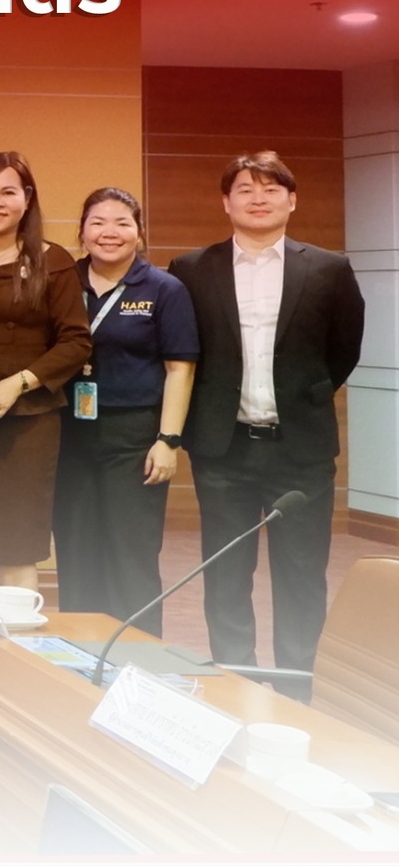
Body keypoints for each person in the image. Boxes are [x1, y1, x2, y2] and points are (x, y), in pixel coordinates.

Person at [170, 152, 365, 688]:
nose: (259, 198)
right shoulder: (191, 268)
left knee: (301, 577)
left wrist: (305, 397)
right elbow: (185, 349)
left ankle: (295, 689)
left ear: (292, 200)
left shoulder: (328, 268)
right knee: (226, 575)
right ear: (225, 202)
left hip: (300, 450)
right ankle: (236, 683)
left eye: (271, 189)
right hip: (222, 448)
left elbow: (344, 348)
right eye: (245, 189)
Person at [0, 152, 92, 606]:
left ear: (27, 199)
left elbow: (76, 341)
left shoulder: (53, 260)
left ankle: (16, 647)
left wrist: (19, 382)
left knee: (16, 543)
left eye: (8, 192)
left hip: (29, 424)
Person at [51, 187, 197, 634]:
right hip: (67, 435)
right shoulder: (61, 281)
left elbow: (180, 369)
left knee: (131, 554)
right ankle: (80, 652)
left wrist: (168, 440)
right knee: (75, 552)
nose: (109, 232)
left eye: (122, 223)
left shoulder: (164, 288)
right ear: (81, 231)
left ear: (139, 231)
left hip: (134, 438)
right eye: (97, 222)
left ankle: (138, 658)